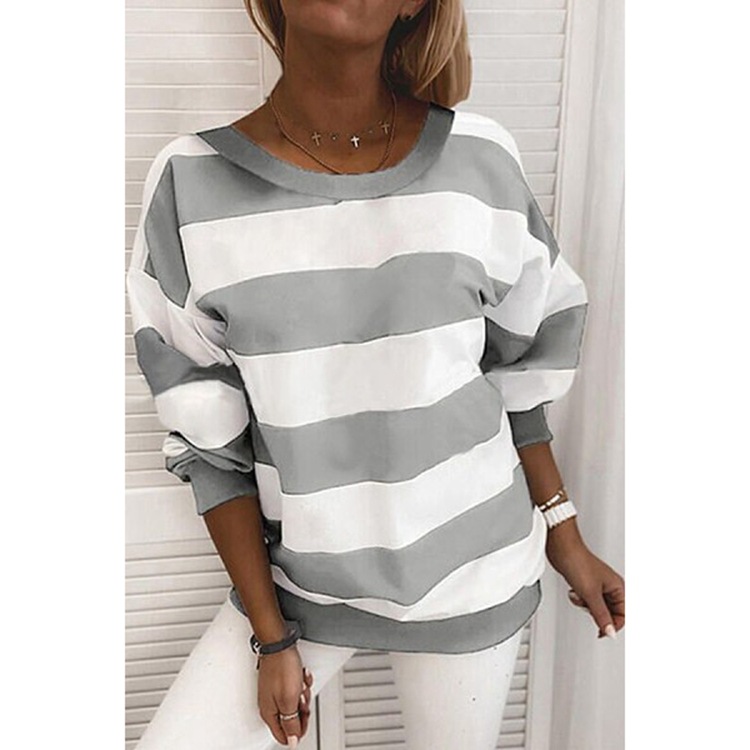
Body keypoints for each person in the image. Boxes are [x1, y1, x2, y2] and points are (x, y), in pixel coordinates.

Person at [126, 1, 625, 748]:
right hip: (298, 590)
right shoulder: (189, 184)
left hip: (472, 578)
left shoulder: (482, 160)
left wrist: (565, 532)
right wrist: (269, 634)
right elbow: (209, 444)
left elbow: (518, 373)